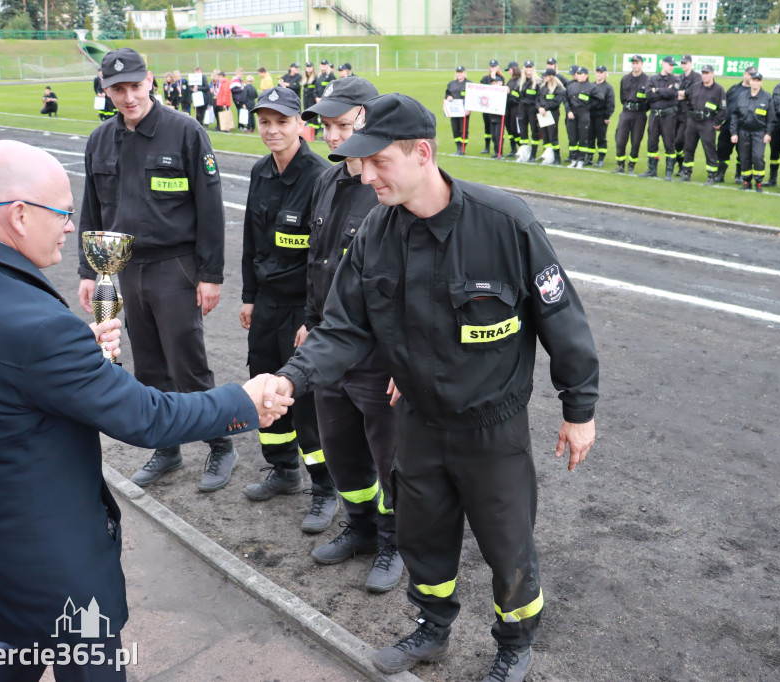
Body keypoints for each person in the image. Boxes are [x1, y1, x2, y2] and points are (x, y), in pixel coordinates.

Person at [252, 92, 598, 682]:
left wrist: (579, 409)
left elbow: (561, 320)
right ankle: (431, 627)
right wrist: (290, 378)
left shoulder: (505, 222)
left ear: (422, 153)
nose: (364, 174)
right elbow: (343, 330)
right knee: (423, 537)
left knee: (507, 543)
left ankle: (514, 644)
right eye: (360, 161)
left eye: (378, 161)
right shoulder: (375, 234)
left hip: (492, 426)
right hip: (416, 419)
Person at [0, 140, 286, 682]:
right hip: (49, 551)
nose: (71, 227)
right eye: (64, 213)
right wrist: (243, 401)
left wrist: (68, 360)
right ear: (19, 215)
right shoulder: (39, 329)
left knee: (19, 645)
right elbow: (147, 418)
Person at [79, 48, 239, 492]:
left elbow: (210, 208)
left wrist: (211, 275)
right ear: (105, 88)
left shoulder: (184, 132)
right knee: (148, 365)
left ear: (150, 81)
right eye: (117, 89)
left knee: (188, 364)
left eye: (134, 85)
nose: (128, 96)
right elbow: (92, 208)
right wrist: (89, 270)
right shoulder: (99, 140)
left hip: (176, 267)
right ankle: (167, 448)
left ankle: (220, 445)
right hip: (126, 269)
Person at [296, 76, 404, 592]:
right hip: (329, 346)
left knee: (392, 457)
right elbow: (316, 262)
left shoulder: (389, 188)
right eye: (327, 126)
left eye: (341, 125)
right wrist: (308, 320)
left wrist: (403, 360)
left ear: (367, 118)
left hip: (377, 355)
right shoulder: (328, 179)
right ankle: (359, 528)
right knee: (341, 449)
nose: (331, 136)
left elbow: (410, 286)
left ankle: (393, 540)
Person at [240, 86, 338, 533]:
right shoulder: (260, 172)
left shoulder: (320, 176)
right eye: (265, 121)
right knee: (263, 387)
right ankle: (281, 469)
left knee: (305, 400)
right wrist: (248, 295)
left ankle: (324, 486)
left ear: (302, 125)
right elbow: (250, 241)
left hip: (302, 306)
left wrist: (311, 318)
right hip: (267, 303)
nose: (272, 130)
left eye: (282, 121)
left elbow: (324, 256)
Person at [679, 64, 726, 184]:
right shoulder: (695, 87)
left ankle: (711, 175)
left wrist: (716, 122)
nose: (705, 75)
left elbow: (723, 109)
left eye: (707, 73)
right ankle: (686, 172)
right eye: (703, 73)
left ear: (712, 74)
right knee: (688, 147)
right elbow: (686, 98)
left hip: (707, 123)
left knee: (709, 149)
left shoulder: (719, 89)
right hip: (692, 122)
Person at [730, 71, 774, 192]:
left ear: (761, 82)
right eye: (753, 80)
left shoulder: (767, 97)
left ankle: (758, 182)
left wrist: (768, 133)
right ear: (750, 81)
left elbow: (771, 118)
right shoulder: (742, 96)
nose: (755, 82)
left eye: (758, 80)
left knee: (758, 156)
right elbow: (734, 115)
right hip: (743, 131)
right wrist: (734, 133)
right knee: (744, 158)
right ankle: (746, 181)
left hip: (759, 133)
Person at [641, 56, 679, 180]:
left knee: (669, 143)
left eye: (673, 65)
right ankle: (652, 169)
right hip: (654, 115)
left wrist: (656, 90)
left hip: (668, 116)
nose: (672, 67)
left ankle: (669, 172)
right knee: (652, 143)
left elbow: (672, 93)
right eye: (670, 64)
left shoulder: (676, 79)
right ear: (663, 64)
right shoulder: (652, 78)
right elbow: (648, 95)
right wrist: (663, 92)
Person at [717, 67, 756, 184]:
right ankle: (720, 174)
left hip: (744, 128)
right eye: (750, 74)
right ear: (745, 74)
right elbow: (723, 105)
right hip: (728, 126)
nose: (751, 77)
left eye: (754, 75)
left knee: (743, 153)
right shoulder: (734, 89)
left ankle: (739, 175)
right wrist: (719, 121)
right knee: (722, 150)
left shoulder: (756, 91)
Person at [613, 54, 648, 173]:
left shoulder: (647, 80)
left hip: (640, 113)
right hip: (626, 112)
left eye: (637, 63)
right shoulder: (625, 79)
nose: (635, 65)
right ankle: (620, 164)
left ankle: (632, 165)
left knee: (636, 140)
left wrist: (641, 108)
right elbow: (622, 97)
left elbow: (649, 99)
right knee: (620, 139)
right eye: (633, 63)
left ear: (641, 64)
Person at [674, 54, 702, 172]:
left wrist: (681, 94)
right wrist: (681, 94)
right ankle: (680, 164)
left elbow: (692, 92)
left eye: (685, 63)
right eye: (682, 63)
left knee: (681, 140)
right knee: (674, 141)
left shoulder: (697, 77)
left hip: (687, 113)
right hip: (676, 112)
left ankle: (684, 166)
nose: (683, 65)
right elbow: (673, 92)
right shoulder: (679, 77)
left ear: (691, 63)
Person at [564, 66, 595, 169]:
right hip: (572, 114)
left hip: (583, 114)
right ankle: (573, 159)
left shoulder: (591, 87)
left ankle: (581, 159)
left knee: (583, 137)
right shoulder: (571, 86)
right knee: (572, 138)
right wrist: (568, 111)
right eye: (578, 73)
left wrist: (588, 107)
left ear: (586, 75)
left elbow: (599, 99)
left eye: (581, 74)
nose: (579, 75)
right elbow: (565, 99)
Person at [536, 67, 566, 165]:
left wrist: (546, 108)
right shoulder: (542, 86)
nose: (544, 77)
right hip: (542, 113)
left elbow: (556, 102)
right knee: (545, 135)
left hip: (552, 113)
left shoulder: (558, 88)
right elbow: (537, 99)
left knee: (553, 135)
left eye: (546, 76)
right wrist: (539, 108)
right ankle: (548, 156)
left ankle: (557, 157)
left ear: (551, 76)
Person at [587, 65, 615, 167]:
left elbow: (610, 103)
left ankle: (601, 158)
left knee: (601, 138)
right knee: (590, 137)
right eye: (597, 72)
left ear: (605, 74)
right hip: (590, 115)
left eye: (601, 72)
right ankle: (589, 157)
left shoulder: (608, 88)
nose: (598, 74)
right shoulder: (591, 85)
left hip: (601, 116)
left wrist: (607, 117)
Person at [517, 60, 543, 161]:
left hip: (533, 108)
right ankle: (523, 152)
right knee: (523, 131)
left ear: (533, 68)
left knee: (534, 131)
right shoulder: (521, 81)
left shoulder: (538, 81)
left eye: (530, 67)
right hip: (523, 107)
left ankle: (533, 154)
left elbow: (539, 97)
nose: (528, 69)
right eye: (527, 67)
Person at [480, 59, 506, 155]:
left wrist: (494, 77)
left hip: (496, 108)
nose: (493, 68)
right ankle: (487, 147)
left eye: (494, 66)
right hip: (487, 107)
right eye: (491, 66)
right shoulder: (486, 78)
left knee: (497, 131)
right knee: (487, 127)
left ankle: (497, 150)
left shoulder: (500, 78)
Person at [446, 65, 470, 155]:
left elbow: (472, 98)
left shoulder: (469, 84)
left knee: (463, 129)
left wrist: (468, 109)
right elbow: (447, 93)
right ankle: (458, 147)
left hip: (464, 111)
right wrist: (448, 97)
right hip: (454, 110)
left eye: (461, 72)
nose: (459, 74)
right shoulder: (451, 83)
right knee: (455, 129)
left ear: (464, 73)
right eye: (458, 72)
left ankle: (463, 148)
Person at [504, 61, 523, 157]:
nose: (508, 72)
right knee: (509, 128)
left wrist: (510, 92)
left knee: (515, 128)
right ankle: (513, 148)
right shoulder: (510, 80)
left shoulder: (520, 81)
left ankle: (522, 146)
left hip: (516, 107)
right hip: (508, 107)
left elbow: (519, 95)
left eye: (509, 70)